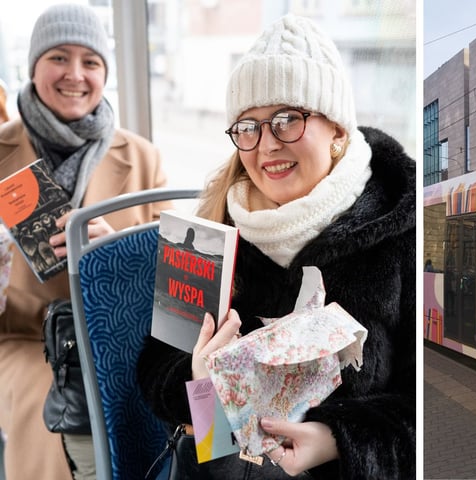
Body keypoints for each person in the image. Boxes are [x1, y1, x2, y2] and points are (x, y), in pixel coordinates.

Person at [137, 13, 415, 480]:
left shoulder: (399, 228)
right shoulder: (213, 229)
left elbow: (421, 411)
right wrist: (200, 382)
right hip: (223, 464)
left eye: (287, 120)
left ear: (338, 132)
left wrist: (336, 441)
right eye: (248, 126)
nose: (266, 145)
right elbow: (154, 371)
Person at [0, 4, 170, 480]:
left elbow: (175, 270)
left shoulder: (141, 156)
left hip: (119, 337)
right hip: (27, 339)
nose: (75, 74)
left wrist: (118, 250)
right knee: (49, 417)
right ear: (33, 66)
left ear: (104, 73)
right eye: (58, 57)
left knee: (159, 408)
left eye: (91, 62)